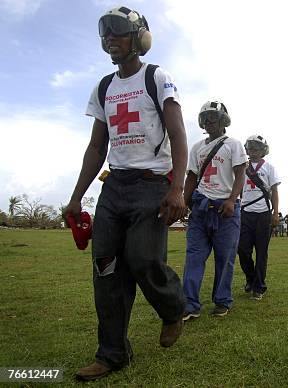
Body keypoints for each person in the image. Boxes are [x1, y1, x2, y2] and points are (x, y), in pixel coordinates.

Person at [63, 6, 188, 381]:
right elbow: (96, 148)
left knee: (144, 258)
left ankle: (173, 309)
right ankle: (112, 354)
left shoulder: (156, 77)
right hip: (114, 188)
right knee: (106, 269)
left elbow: (179, 134)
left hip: (152, 185)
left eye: (117, 32)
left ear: (139, 39)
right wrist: (75, 196)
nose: (109, 39)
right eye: (105, 34)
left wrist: (177, 187)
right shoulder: (103, 87)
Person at [182, 100, 247, 321]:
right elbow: (191, 176)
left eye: (213, 117)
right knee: (194, 257)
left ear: (223, 121)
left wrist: (232, 199)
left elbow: (240, 174)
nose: (209, 121)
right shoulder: (197, 148)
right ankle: (190, 304)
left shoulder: (234, 145)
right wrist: (184, 202)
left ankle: (222, 301)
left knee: (225, 257)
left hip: (226, 210)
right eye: (205, 118)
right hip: (200, 208)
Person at [237, 135, 281, 300]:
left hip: (263, 214)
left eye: (257, 147)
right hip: (245, 213)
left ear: (263, 150)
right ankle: (250, 278)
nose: (253, 150)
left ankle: (259, 286)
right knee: (242, 249)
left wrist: (275, 213)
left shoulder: (269, 168)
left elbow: (274, 192)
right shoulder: (242, 167)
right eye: (250, 147)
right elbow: (237, 188)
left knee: (261, 252)